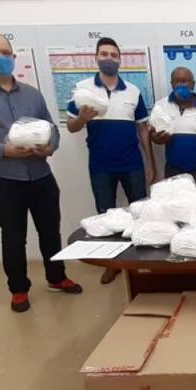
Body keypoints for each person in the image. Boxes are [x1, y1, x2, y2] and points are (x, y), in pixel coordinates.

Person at [0, 32, 82, 313]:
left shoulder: (31, 94)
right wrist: (1, 150)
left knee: (50, 231)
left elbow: (51, 128)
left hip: (41, 174)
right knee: (13, 236)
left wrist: (50, 147)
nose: (0, 57)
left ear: (13, 56)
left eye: (4, 52)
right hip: (5, 178)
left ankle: (56, 277)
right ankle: (19, 289)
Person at [66, 37, 155, 284]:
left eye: (113, 55)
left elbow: (143, 129)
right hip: (101, 165)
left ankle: (141, 262)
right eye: (104, 54)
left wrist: (150, 163)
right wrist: (82, 118)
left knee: (140, 212)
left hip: (131, 163)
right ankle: (112, 264)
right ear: (95, 57)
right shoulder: (83, 90)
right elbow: (71, 127)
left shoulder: (133, 91)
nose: (109, 59)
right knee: (105, 216)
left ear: (120, 59)